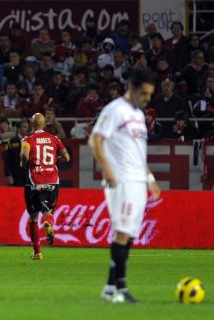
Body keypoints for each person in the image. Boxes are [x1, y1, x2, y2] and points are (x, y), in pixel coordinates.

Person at [89, 69, 161, 303]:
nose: (147, 99)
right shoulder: (115, 110)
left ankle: (110, 289)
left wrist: (150, 178)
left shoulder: (139, 115)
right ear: (132, 87)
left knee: (128, 235)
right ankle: (121, 289)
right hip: (121, 179)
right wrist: (107, 169)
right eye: (144, 93)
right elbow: (95, 140)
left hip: (138, 181)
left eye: (150, 94)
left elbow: (139, 152)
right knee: (122, 233)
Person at [20, 113, 70, 260]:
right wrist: (55, 160)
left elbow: (24, 156)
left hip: (34, 182)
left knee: (33, 217)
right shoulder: (55, 139)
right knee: (48, 213)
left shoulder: (27, 139)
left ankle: (37, 252)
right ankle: (48, 223)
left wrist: (24, 163)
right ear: (44, 125)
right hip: (52, 181)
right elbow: (66, 157)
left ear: (31, 125)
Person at [3, 119, 30, 186]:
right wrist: (8, 174)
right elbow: (7, 160)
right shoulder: (12, 142)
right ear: (19, 129)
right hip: (16, 175)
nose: (27, 129)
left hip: (28, 175)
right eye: (25, 127)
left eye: (28, 127)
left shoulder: (31, 141)